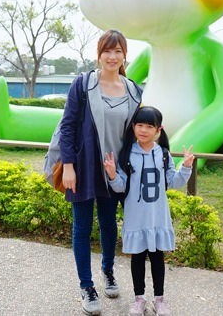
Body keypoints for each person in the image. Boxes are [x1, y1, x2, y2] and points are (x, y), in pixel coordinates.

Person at [59, 29, 142, 315]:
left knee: (109, 224)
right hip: (83, 166)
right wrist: (68, 166)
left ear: (124, 55)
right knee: (81, 228)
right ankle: (86, 286)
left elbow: (139, 131)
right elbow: (67, 126)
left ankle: (108, 271)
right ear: (99, 53)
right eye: (108, 50)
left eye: (118, 51)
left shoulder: (133, 89)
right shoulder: (83, 84)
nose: (112, 56)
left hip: (114, 169)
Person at [104, 106, 194, 316]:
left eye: (149, 126)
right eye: (140, 125)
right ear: (133, 127)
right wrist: (111, 174)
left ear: (158, 130)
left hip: (157, 218)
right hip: (136, 218)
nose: (143, 130)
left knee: (157, 259)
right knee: (137, 259)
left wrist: (187, 167)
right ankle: (139, 299)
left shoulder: (163, 155)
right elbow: (121, 187)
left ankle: (159, 300)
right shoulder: (126, 155)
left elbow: (173, 182)